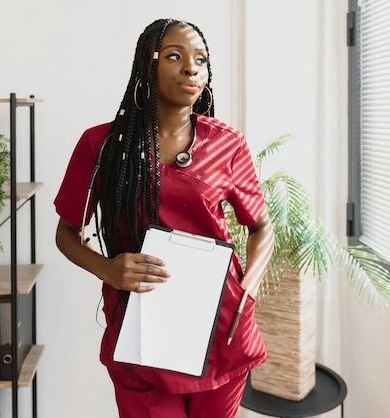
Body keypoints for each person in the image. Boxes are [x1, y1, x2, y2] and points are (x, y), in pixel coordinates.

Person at [54, 18, 274, 418]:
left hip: (221, 326)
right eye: (175, 56)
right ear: (146, 67)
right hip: (141, 330)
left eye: (201, 60)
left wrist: (247, 290)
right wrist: (107, 269)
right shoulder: (100, 146)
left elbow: (261, 227)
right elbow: (67, 233)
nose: (192, 68)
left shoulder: (228, 143)